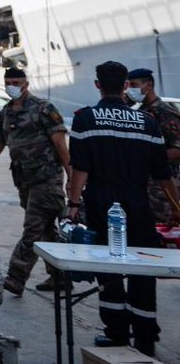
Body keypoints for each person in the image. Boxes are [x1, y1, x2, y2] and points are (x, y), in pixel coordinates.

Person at [67, 61, 180, 357]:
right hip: (139, 206)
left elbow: (80, 168)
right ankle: (145, 336)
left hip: (101, 205)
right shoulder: (147, 122)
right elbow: (162, 171)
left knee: (109, 268)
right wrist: (177, 205)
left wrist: (73, 204)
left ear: (97, 84)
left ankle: (116, 332)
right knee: (143, 269)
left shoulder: (85, 119)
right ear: (126, 86)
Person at [0, 67, 70, 296]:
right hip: (23, 180)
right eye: (8, 82)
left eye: (16, 81)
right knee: (45, 230)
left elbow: (60, 145)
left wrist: (71, 177)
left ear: (26, 83)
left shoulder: (43, 109)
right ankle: (60, 275)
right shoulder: (5, 113)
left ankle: (16, 277)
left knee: (33, 227)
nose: (12, 86)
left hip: (46, 179)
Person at [127, 67, 180, 224]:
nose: (130, 90)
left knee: (163, 226)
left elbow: (178, 150)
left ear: (148, 85)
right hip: (143, 185)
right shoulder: (140, 113)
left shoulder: (165, 113)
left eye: (134, 85)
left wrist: (151, 160)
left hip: (163, 188)